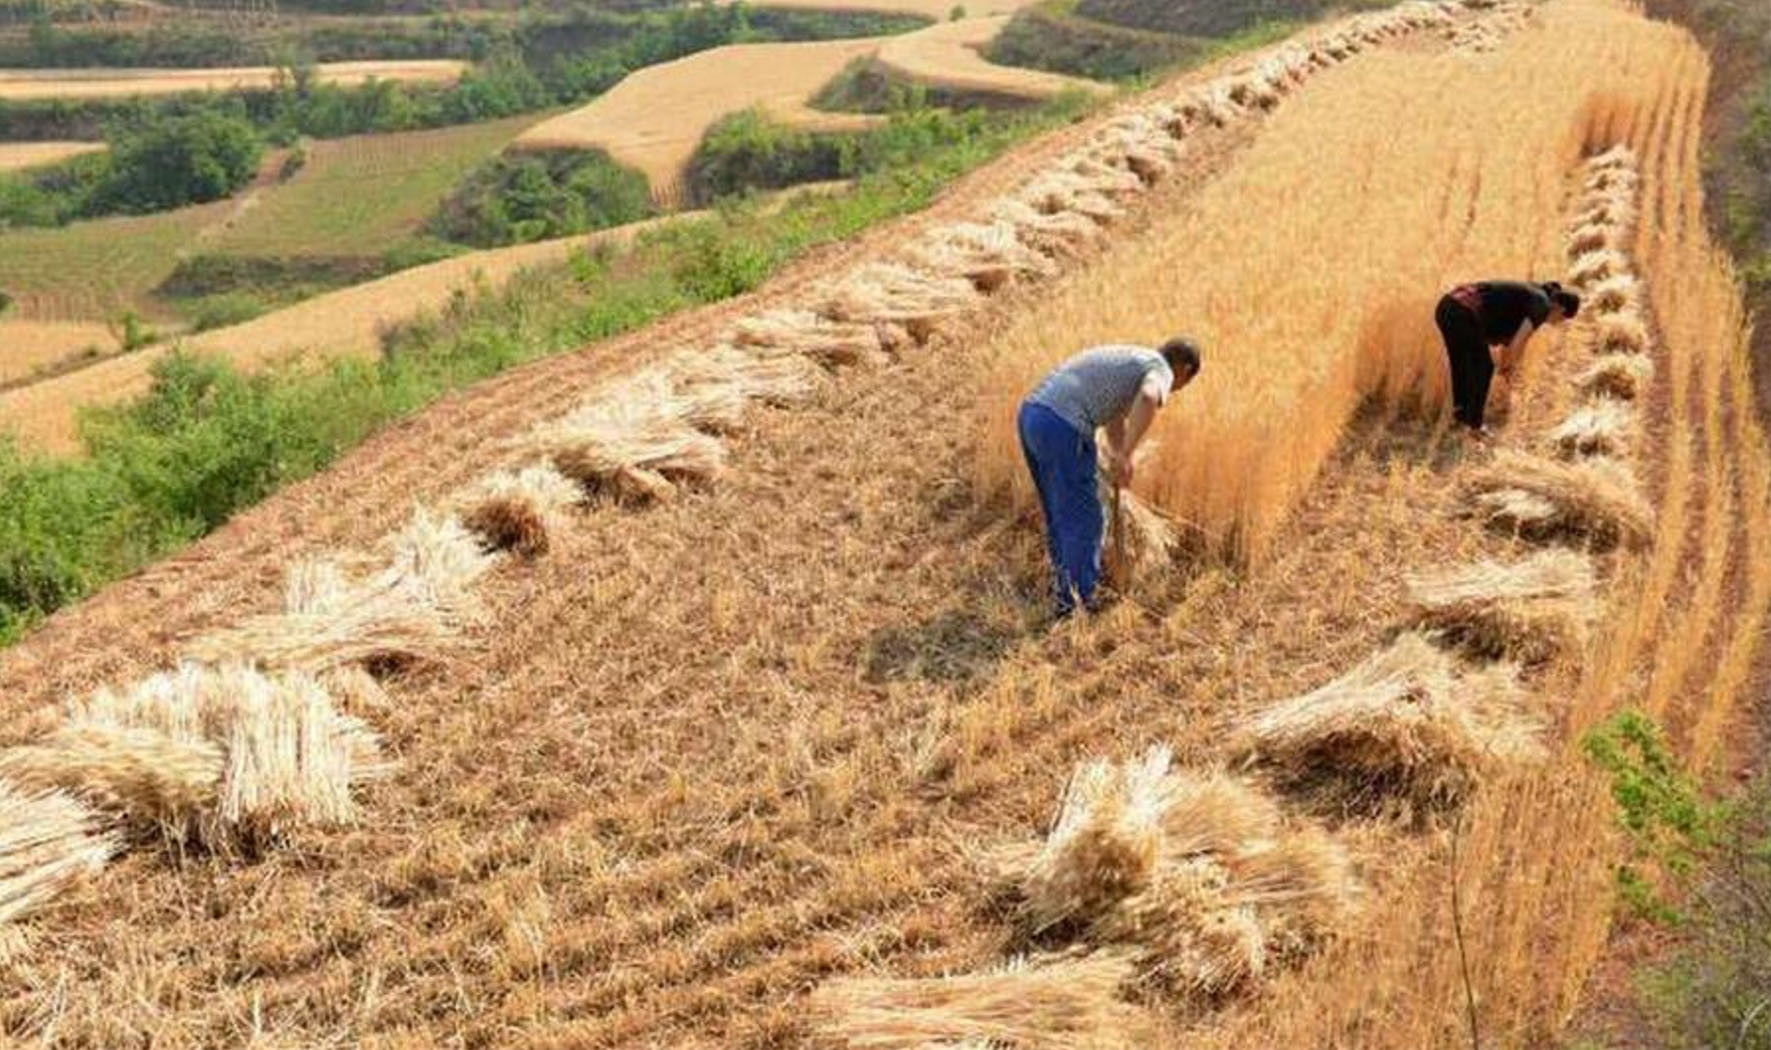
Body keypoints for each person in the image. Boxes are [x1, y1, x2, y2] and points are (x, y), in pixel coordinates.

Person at [1017, 338, 1201, 616]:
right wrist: (1126, 455)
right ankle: (1076, 605)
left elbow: (1114, 416)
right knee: (1086, 519)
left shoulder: (1132, 359)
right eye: (1185, 383)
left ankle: (1065, 590)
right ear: (1184, 369)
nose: (1178, 388)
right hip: (1063, 427)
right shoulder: (1160, 368)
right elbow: (1149, 397)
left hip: (1033, 415)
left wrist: (1117, 453)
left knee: (1060, 513)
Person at [1435, 279, 1582, 437]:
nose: (1558, 323)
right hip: (1463, 311)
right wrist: (1510, 372)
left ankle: (1460, 417)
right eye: (1563, 319)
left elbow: (1509, 346)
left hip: (1447, 305)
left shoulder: (1532, 297)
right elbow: (1518, 344)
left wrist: (1505, 370)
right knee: (1484, 368)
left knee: (1462, 363)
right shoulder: (1542, 306)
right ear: (1560, 309)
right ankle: (1474, 426)